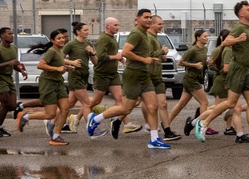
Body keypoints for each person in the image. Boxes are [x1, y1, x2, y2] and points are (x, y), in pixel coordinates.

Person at [194, 1, 249, 147]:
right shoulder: (239, 27)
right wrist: (237, 39)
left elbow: (241, 48)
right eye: (248, 10)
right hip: (237, 70)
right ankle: (203, 123)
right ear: (241, 14)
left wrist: (248, 59)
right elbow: (227, 41)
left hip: (245, 69)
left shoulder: (248, 27)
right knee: (230, 103)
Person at [88, 9, 170, 149]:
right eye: (146, 17)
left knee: (153, 106)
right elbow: (126, 52)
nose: (149, 20)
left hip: (144, 75)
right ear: (137, 20)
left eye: (150, 17)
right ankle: (96, 119)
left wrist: (152, 59)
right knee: (125, 108)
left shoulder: (145, 35)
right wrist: (144, 59)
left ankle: (154, 139)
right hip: (133, 75)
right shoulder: (136, 34)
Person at [16, 29, 78, 146]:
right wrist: (58, 69)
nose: (62, 40)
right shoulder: (51, 51)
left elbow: (58, 63)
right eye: (59, 38)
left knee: (65, 109)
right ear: (53, 40)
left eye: (63, 38)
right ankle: (26, 116)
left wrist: (67, 67)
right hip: (48, 83)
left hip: (58, 82)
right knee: (50, 114)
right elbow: (41, 65)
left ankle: (55, 136)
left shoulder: (59, 50)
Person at [0, 27, 28, 136]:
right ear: (2, 36)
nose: (12, 36)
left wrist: (21, 71)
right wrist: (8, 63)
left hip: (8, 78)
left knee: (12, 106)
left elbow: (14, 64)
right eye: (9, 34)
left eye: (12, 33)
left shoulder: (13, 48)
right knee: (5, 105)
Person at [170, 29, 211, 132]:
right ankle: (202, 126)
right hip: (190, 79)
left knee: (181, 104)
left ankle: (166, 123)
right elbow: (181, 62)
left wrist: (208, 62)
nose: (207, 38)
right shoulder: (192, 50)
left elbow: (202, 63)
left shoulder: (205, 49)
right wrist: (194, 65)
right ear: (198, 38)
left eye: (207, 36)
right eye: (205, 36)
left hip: (196, 79)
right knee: (204, 102)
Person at [150, 15, 181, 141]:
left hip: (158, 76)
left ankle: (167, 131)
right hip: (148, 77)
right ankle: (116, 119)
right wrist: (162, 51)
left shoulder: (156, 38)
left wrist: (161, 56)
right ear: (151, 24)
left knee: (163, 104)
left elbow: (154, 56)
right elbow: (148, 56)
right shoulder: (148, 38)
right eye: (159, 24)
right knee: (130, 105)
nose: (162, 26)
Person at [62, 21, 97, 133]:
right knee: (87, 103)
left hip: (84, 76)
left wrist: (92, 53)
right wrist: (72, 62)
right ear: (78, 31)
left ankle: (51, 120)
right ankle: (91, 129)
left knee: (69, 104)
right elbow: (59, 58)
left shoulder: (88, 44)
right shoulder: (71, 44)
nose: (88, 32)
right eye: (85, 30)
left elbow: (95, 62)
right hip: (75, 76)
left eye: (88, 30)